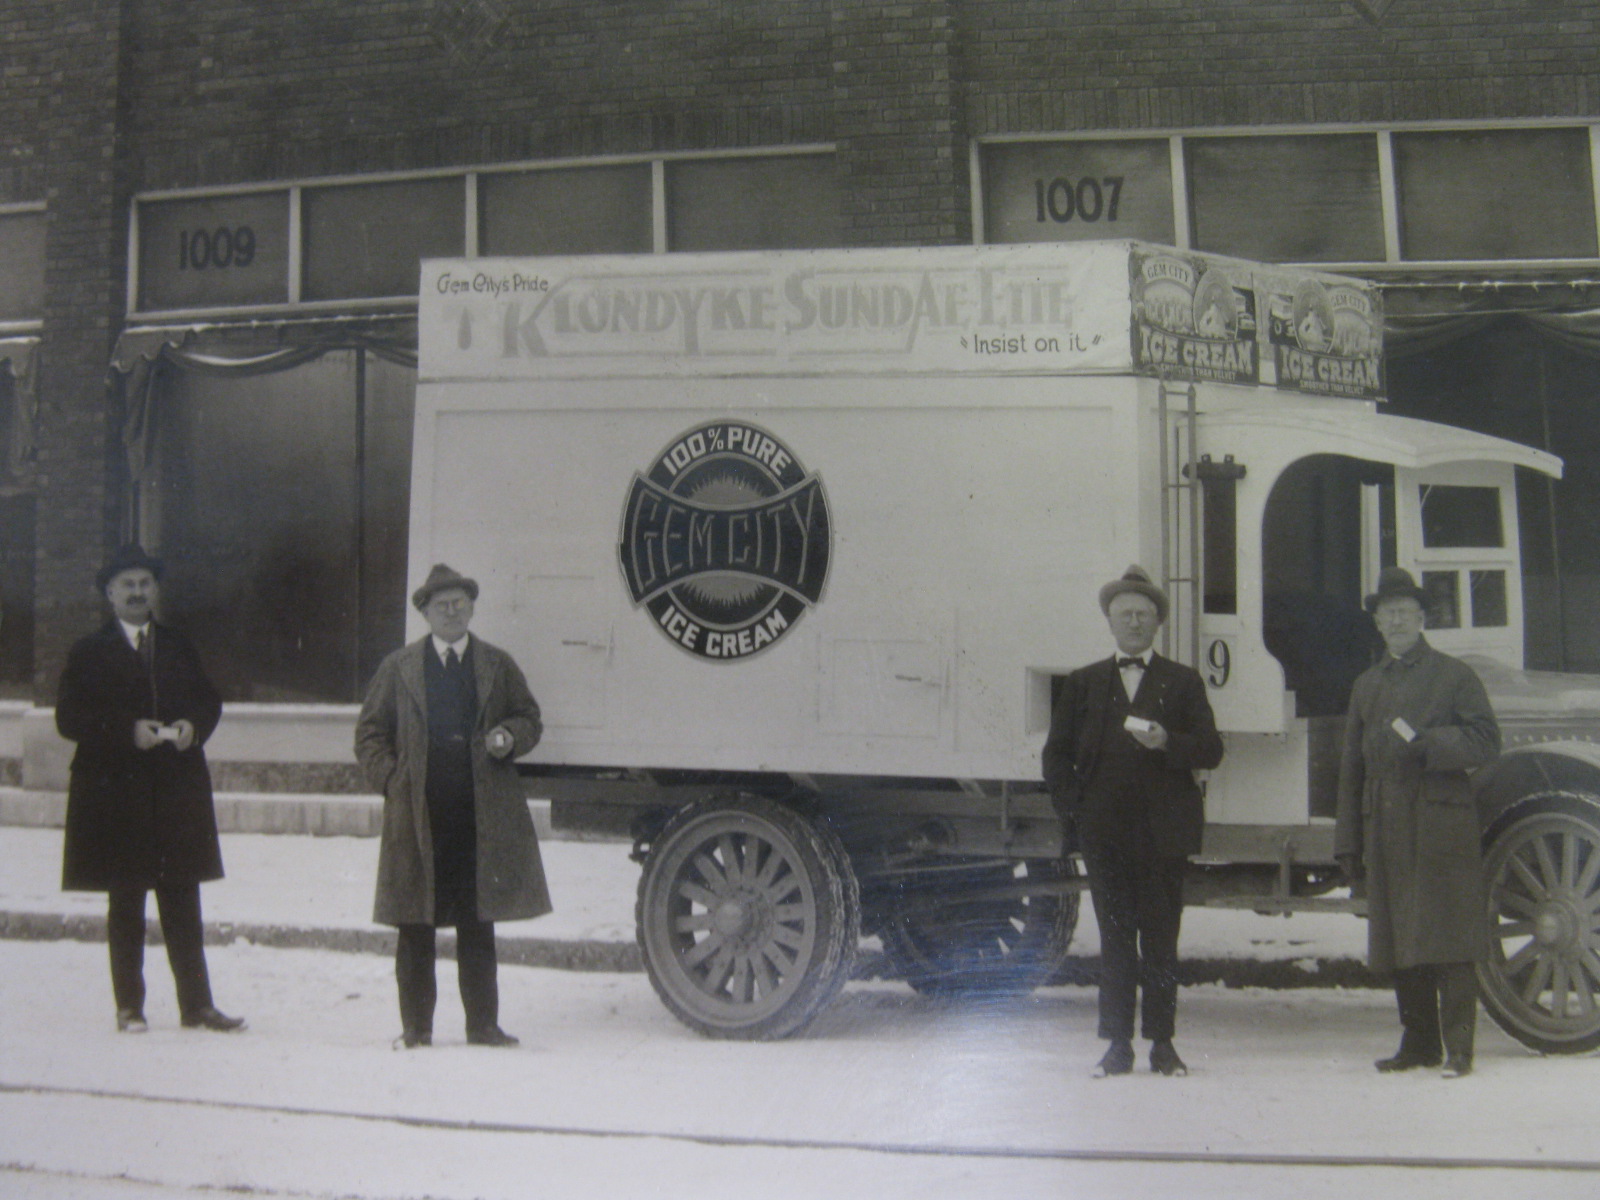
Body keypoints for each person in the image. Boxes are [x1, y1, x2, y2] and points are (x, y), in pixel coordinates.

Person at [355, 563, 551, 1048]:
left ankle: (482, 1026)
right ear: (424, 612)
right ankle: (416, 1029)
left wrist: (509, 736)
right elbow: (369, 734)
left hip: (479, 816)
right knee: (414, 925)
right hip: (419, 817)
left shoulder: (496, 665)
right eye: (441, 604)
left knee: (477, 923)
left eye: (460, 602)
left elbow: (529, 717)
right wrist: (392, 781)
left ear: (471, 607)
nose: (452, 610)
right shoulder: (398, 668)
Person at [1042, 565, 1224, 1077]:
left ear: (1158, 623)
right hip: (1106, 838)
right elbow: (1055, 757)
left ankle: (1162, 1046)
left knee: (1161, 941)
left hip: (1165, 837)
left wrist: (1169, 742)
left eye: (1144, 614)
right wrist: (1077, 810)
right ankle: (1117, 1045)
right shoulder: (1083, 684)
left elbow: (1212, 749)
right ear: (1110, 622)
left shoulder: (1183, 682)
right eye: (1125, 614)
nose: (1135, 622)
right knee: (1116, 941)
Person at [56, 544, 245, 1034]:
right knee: (126, 900)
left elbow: (208, 700)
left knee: (183, 897)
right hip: (116, 794)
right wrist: (125, 731)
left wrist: (191, 726)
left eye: (145, 584)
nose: (137, 593)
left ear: (155, 590)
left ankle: (197, 1006)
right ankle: (130, 1006)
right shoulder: (88, 651)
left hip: (175, 790)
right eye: (127, 586)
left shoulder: (178, 644)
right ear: (109, 595)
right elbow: (68, 718)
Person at [1335, 566, 1500, 1079]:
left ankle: (1459, 1050)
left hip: (1439, 825)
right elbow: (1351, 769)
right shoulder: (1367, 685)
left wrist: (1432, 745)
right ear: (1378, 624)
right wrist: (1348, 841)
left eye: (1406, 612)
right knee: (1398, 936)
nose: (1397, 621)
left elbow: (1485, 741)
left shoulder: (1454, 676)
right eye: (1388, 614)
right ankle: (1419, 1044)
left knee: (1449, 938)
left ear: (1423, 618)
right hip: (1385, 824)